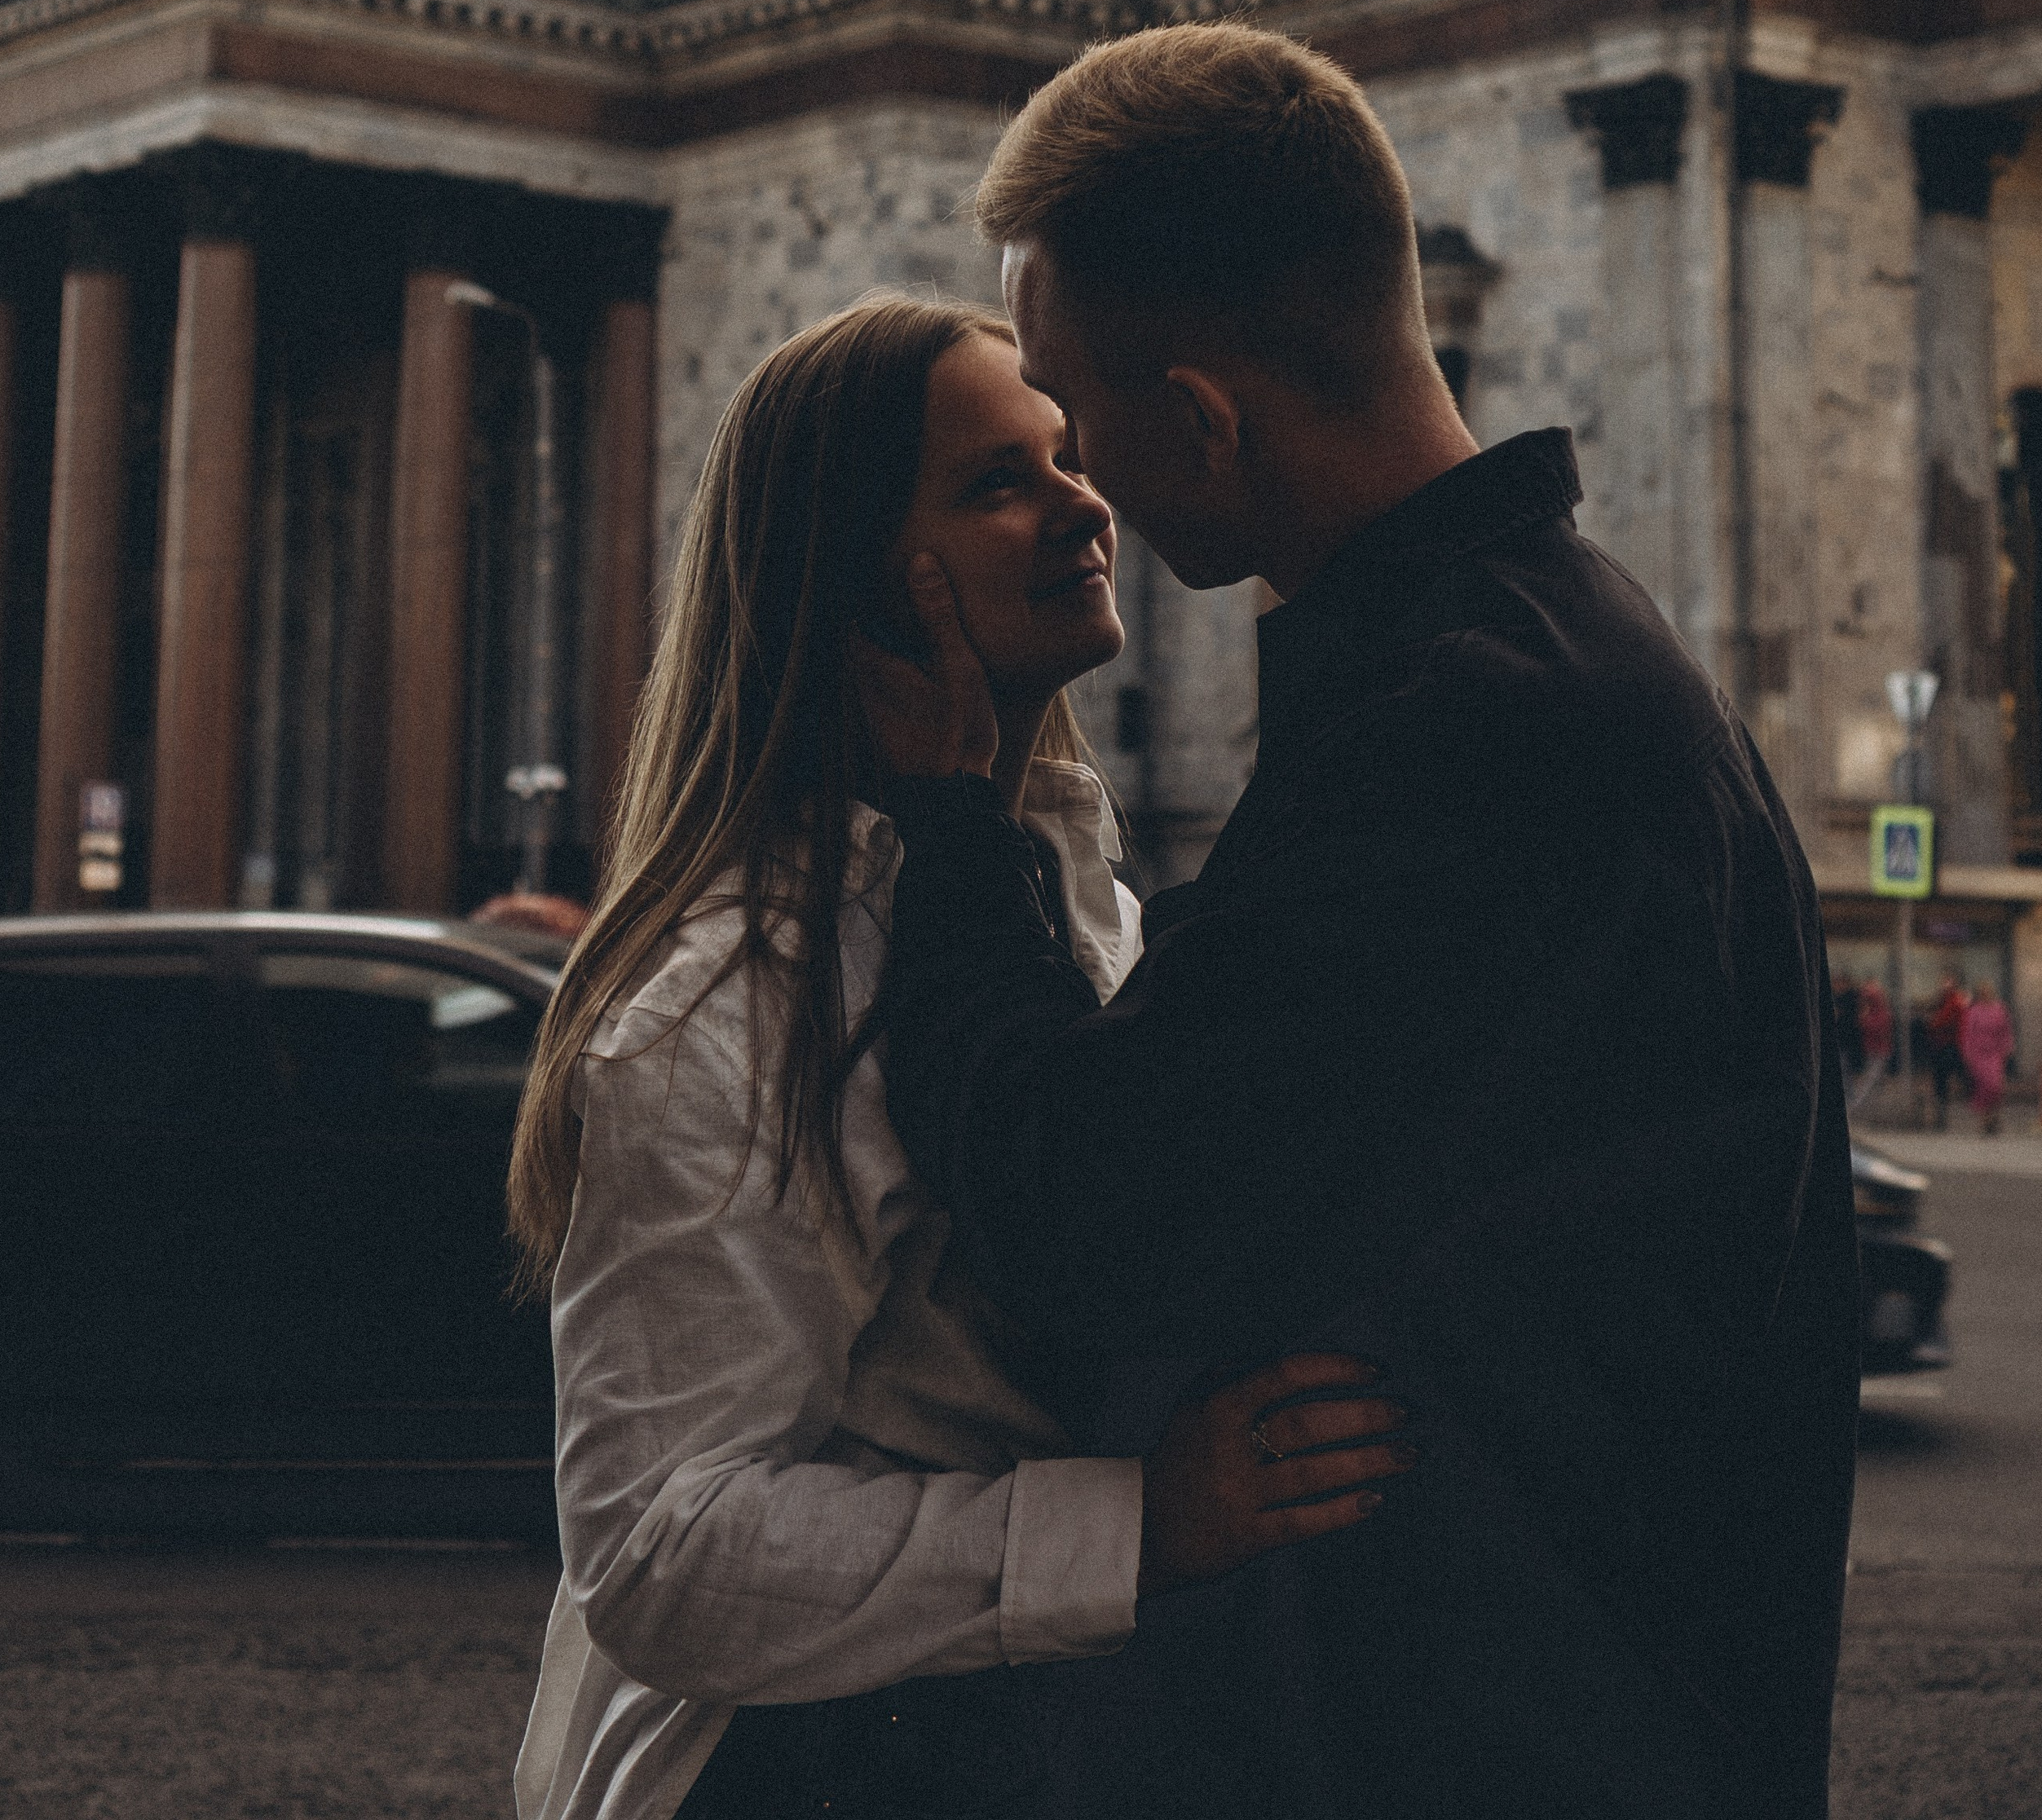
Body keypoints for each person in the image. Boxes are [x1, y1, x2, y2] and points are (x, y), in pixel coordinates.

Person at [863, 25, 1863, 1820]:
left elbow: (1096, 1207)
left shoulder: (1471, 735)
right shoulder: (1539, 655)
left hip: (1513, 1748)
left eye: (1079, 422)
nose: (1078, 484)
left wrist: (949, 826)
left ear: (1198, 417)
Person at [507, 293, 1414, 1820]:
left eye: (1066, 456)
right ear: (851, 583)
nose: (1084, 503)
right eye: (1000, 483)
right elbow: (659, 1555)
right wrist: (1134, 1528)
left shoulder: (1058, 894)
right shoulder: (727, 998)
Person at [1960, 978, 2015, 1135]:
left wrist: (2008, 1047)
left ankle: (1993, 1116)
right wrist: (1967, 1052)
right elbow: (1969, 1033)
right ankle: (1984, 1119)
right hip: (1978, 1053)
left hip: (1995, 1053)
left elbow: (2006, 1030)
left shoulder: (2000, 1009)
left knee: (1996, 1086)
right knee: (1985, 1085)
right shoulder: (1974, 1011)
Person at [1925, 967, 1968, 1130]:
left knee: (1944, 1080)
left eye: (1947, 982)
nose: (1943, 985)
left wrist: (1933, 1022)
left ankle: (1943, 1116)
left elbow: (1943, 1021)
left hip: (1949, 1046)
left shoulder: (1955, 1001)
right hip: (1941, 1046)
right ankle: (1941, 1115)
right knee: (1941, 1081)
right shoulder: (1944, 1000)